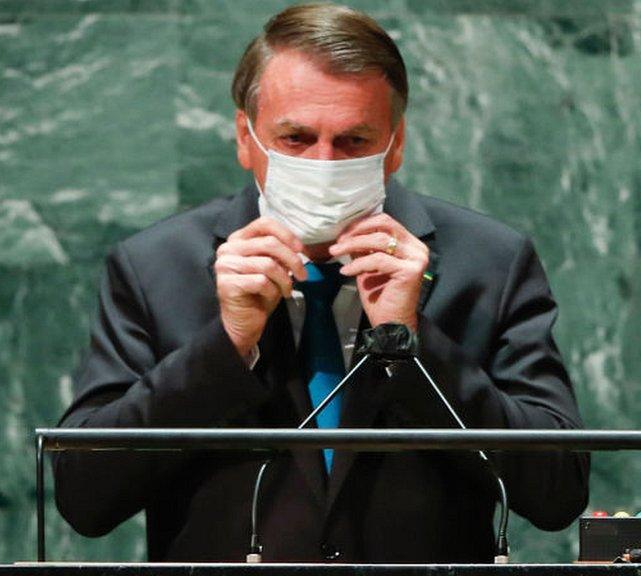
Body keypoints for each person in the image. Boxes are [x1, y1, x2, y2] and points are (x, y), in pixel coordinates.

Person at [52, 3, 589, 563]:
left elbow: (557, 494)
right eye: (296, 138)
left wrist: (412, 342)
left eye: (355, 141)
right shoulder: (153, 268)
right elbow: (85, 499)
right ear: (245, 137)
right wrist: (227, 345)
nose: (324, 163)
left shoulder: (489, 263)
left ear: (396, 143)